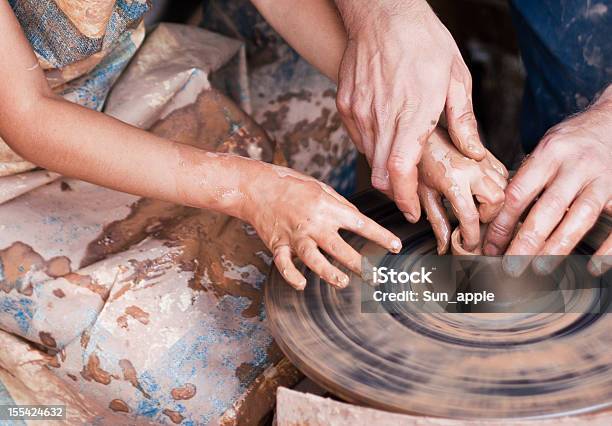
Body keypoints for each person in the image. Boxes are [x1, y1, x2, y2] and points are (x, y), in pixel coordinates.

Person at [0, 0, 506, 423]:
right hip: (21, 155)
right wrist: (250, 189)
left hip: (116, 88)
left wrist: (409, 134)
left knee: (324, 109)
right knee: (182, 369)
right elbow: (29, 117)